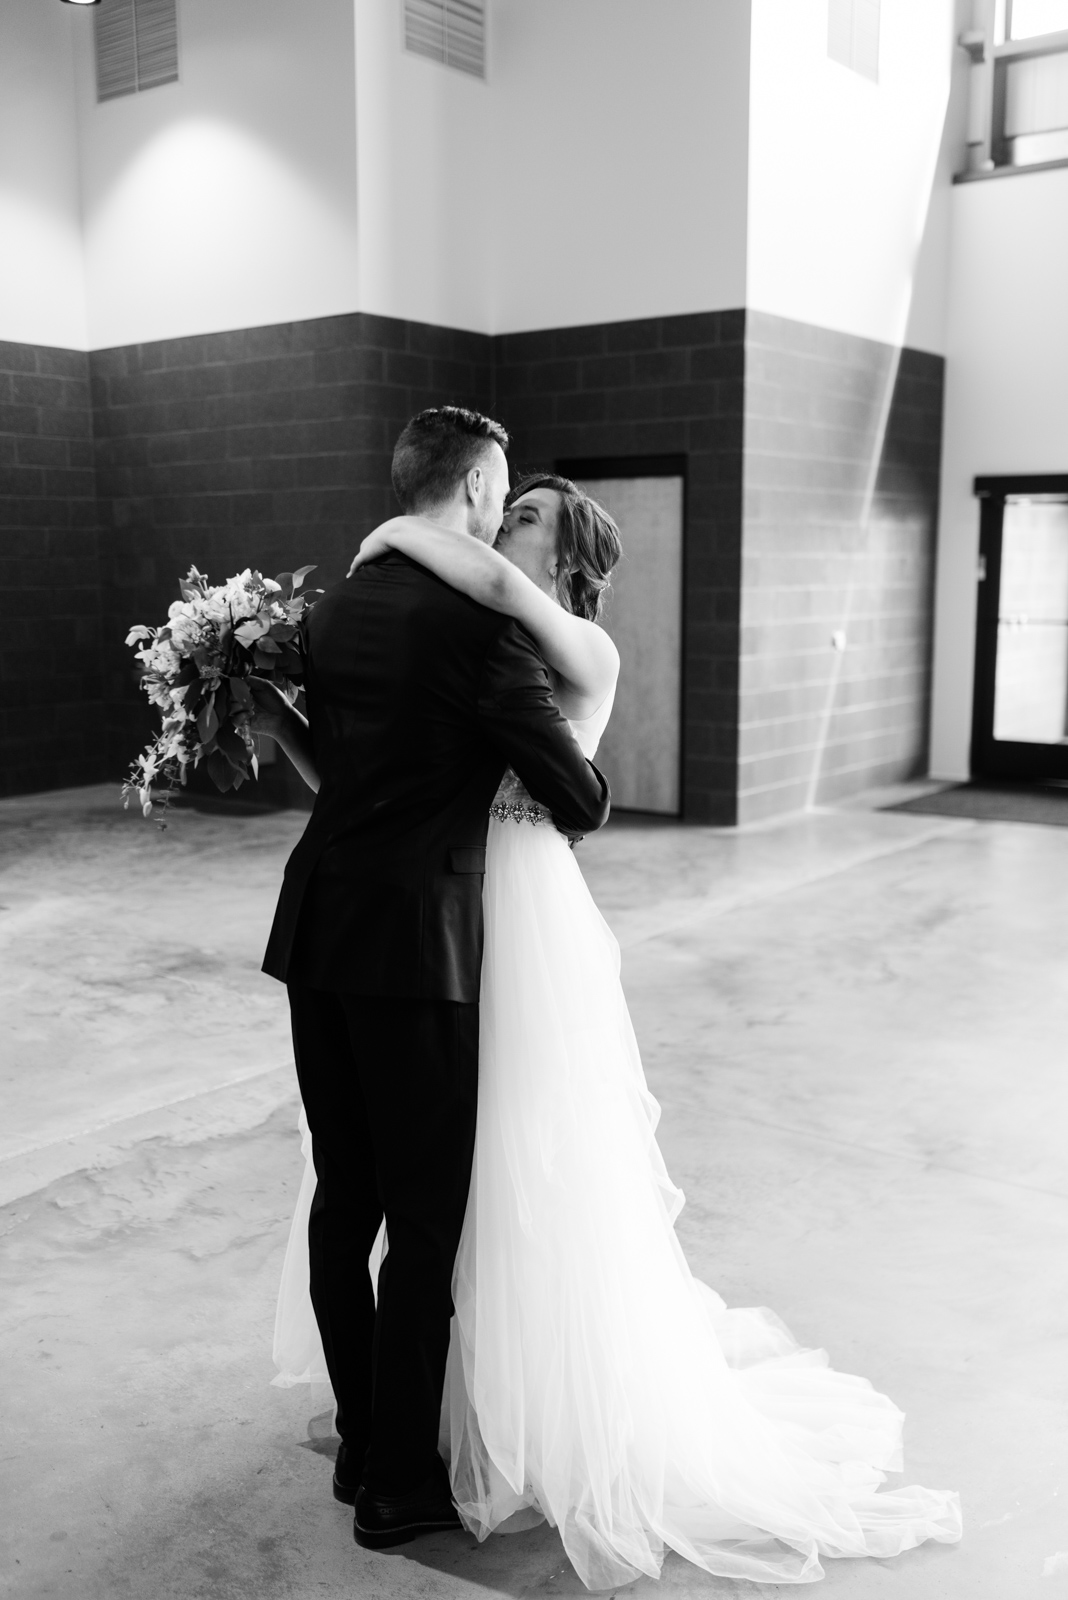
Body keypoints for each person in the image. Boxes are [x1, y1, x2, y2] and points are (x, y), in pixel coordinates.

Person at [264, 471, 963, 1589]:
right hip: (435, 919)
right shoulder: (475, 627)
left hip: (514, 922)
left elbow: (565, 781)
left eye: (526, 514)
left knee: (505, 1176)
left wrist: (393, 531)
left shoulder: (568, 643)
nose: (502, 527)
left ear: (564, 552)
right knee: (424, 1188)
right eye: (505, 505)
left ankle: (448, 1428)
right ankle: (407, 1430)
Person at [256, 408, 611, 1551]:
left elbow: (343, 766)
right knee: (425, 1217)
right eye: (500, 494)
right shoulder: (478, 632)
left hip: (320, 931)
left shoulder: (335, 606)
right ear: (474, 490)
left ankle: (364, 1437)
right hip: (417, 951)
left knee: (341, 1195)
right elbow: (580, 796)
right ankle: (402, 1480)